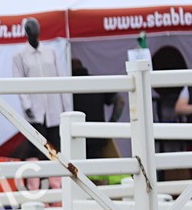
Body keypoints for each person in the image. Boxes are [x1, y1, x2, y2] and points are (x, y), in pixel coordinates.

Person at [10, 17, 71, 190]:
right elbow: (18, 80)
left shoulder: (50, 52)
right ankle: (33, 186)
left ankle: (56, 186)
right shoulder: (20, 56)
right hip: (35, 110)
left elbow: (60, 78)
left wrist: (66, 106)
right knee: (34, 148)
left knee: (54, 146)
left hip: (54, 109)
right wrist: (26, 105)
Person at [71, 58, 124, 159]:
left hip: (75, 136)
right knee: (96, 170)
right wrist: (111, 123)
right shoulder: (97, 82)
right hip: (98, 135)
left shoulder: (67, 84)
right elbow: (120, 101)